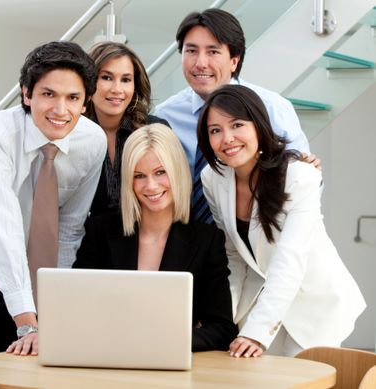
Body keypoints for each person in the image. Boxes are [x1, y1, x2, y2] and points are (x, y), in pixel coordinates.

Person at [0, 41, 107, 358]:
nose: (60, 110)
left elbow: (70, 227)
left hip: (45, 264)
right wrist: (28, 323)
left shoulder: (92, 141)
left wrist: (52, 299)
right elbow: (2, 232)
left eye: (72, 98)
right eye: (49, 94)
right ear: (26, 94)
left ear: (86, 102)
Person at [198, 84, 366, 357]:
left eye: (237, 124)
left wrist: (257, 333)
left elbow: (290, 259)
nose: (227, 138)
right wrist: (220, 317)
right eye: (215, 130)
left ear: (258, 126)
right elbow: (233, 256)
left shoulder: (300, 176)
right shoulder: (213, 178)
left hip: (314, 303)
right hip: (261, 299)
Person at [73, 123, 238, 351]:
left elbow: (222, 328)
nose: (151, 186)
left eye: (160, 172)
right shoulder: (100, 232)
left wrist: (163, 342)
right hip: (108, 357)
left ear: (177, 171)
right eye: (139, 176)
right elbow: (77, 307)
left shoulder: (206, 240)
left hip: (171, 366)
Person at [154, 9, 318, 222]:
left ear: (234, 60)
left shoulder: (272, 108)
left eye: (213, 52)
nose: (200, 63)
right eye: (191, 51)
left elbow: (306, 187)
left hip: (260, 235)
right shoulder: (165, 115)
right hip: (186, 243)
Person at [85, 42, 169, 217]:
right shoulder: (74, 134)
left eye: (126, 80)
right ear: (89, 81)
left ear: (135, 85)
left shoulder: (155, 129)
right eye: (106, 77)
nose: (117, 89)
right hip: (89, 239)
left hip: (146, 235)